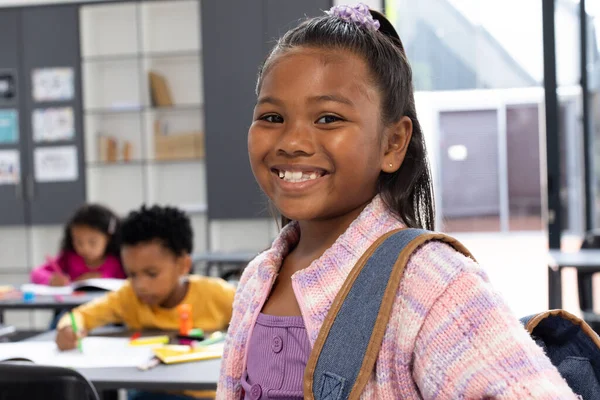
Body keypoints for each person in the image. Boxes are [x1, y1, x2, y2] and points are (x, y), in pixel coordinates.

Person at [217, 4, 577, 399]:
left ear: (393, 143)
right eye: (271, 118)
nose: (292, 142)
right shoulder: (257, 278)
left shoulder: (431, 281)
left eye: (327, 119)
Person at [56, 205, 236, 400]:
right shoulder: (128, 296)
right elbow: (80, 315)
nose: (140, 285)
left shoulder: (218, 294)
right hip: (150, 392)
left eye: (152, 274)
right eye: (132, 274)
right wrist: (68, 329)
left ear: (183, 265)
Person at [31, 203, 124, 286]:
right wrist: (51, 280)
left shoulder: (117, 262)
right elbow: (36, 273)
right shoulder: (69, 258)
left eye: (92, 242)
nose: (85, 248)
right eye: (78, 242)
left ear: (108, 238)